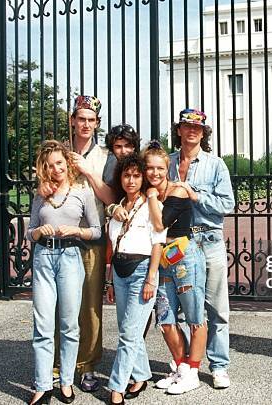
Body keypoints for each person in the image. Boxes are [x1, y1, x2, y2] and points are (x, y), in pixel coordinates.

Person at [40, 96, 115, 393]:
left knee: (90, 306)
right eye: (80, 118)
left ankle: (87, 365)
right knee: (59, 305)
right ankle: (60, 365)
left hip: (91, 237)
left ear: (96, 124)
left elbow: (110, 197)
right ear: (72, 120)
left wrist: (87, 171)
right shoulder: (58, 152)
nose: (85, 124)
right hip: (59, 239)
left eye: (91, 120)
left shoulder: (105, 156)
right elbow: (42, 184)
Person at [26, 140, 102, 405]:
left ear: (67, 163)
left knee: (70, 324)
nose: (56, 169)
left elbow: (97, 230)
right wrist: (37, 233)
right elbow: (30, 231)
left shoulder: (82, 192)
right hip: (43, 257)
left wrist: (77, 231)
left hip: (71, 257)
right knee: (43, 325)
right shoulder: (41, 194)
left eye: (59, 163)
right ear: (44, 169)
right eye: (50, 165)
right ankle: (43, 385)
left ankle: (67, 382)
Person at [169, 108, 235, 389]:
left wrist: (195, 195)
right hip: (179, 243)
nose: (192, 130)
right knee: (183, 305)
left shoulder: (215, 164)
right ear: (179, 130)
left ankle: (218, 365)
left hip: (208, 239)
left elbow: (228, 204)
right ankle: (185, 361)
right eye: (187, 126)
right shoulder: (168, 163)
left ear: (204, 132)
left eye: (198, 127)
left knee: (216, 306)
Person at [142, 141, 207, 395]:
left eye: (159, 168)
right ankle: (180, 367)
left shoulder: (177, 191)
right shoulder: (151, 193)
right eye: (149, 168)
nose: (154, 173)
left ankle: (193, 370)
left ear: (167, 168)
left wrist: (150, 196)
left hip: (185, 258)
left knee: (194, 317)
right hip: (162, 260)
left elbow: (160, 226)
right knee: (166, 319)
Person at [105, 153, 166, 405]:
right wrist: (109, 279)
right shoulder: (118, 206)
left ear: (143, 179)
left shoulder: (152, 206)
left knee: (130, 334)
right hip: (119, 271)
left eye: (136, 176)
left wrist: (151, 279)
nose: (131, 180)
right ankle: (141, 374)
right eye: (126, 175)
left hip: (142, 271)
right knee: (126, 329)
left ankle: (116, 386)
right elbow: (114, 245)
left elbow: (158, 243)